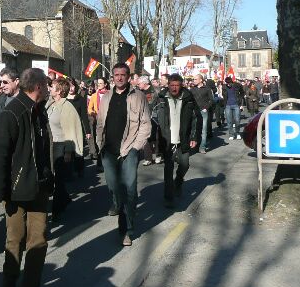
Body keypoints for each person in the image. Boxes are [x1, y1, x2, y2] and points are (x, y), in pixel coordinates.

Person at [0, 68, 54, 287]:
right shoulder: (13, 112)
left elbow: (43, 150)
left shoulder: (39, 111)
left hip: (39, 188)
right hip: (17, 190)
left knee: (38, 240)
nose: (48, 89)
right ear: (37, 86)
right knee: (15, 239)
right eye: (46, 86)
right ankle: (9, 282)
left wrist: (49, 179)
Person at [96, 63, 151, 246]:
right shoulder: (106, 97)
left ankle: (125, 229)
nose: (119, 78)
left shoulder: (138, 97)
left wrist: (136, 147)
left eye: (123, 74)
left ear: (129, 76)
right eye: (116, 75)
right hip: (109, 151)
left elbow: (145, 125)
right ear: (112, 77)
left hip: (129, 150)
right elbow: (100, 124)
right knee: (114, 187)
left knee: (129, 189)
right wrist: (99, 145)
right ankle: (120, 207)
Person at [156, 74, 201, 209]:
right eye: (172, 85)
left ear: (181, 85)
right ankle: (168, 197)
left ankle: (179, 181)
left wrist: (194, 137)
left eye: (177, 85)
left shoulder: (188, 99)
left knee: (185, 165)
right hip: (167, 140)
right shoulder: (161, 99)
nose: (174, 88)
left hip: (183, 139)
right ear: (168, 85)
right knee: (168, 170)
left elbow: (196, 118)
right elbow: (152, 117)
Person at [46, 78, 83, 219]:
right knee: (53, 178)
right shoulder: (51, 103)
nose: (50, 88)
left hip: (61, 146)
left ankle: (57, 210)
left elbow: (69, 131)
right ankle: (65, 199)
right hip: (51, 145)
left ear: (60, 91)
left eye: (53, 87)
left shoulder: (67, 107)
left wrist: (68, 151)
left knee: (58, 179)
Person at [190, 74, 214, 153]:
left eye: (195, 79)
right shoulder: (192, 89)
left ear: (201, 80)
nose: (194, 81)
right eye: (193, 79)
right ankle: (195, 144)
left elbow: (211, 100)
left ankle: (202, 147)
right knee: (194, 129)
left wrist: (206, 108)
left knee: (204, 130)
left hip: (203, 112)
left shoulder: (207, 89)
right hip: (194, 112)